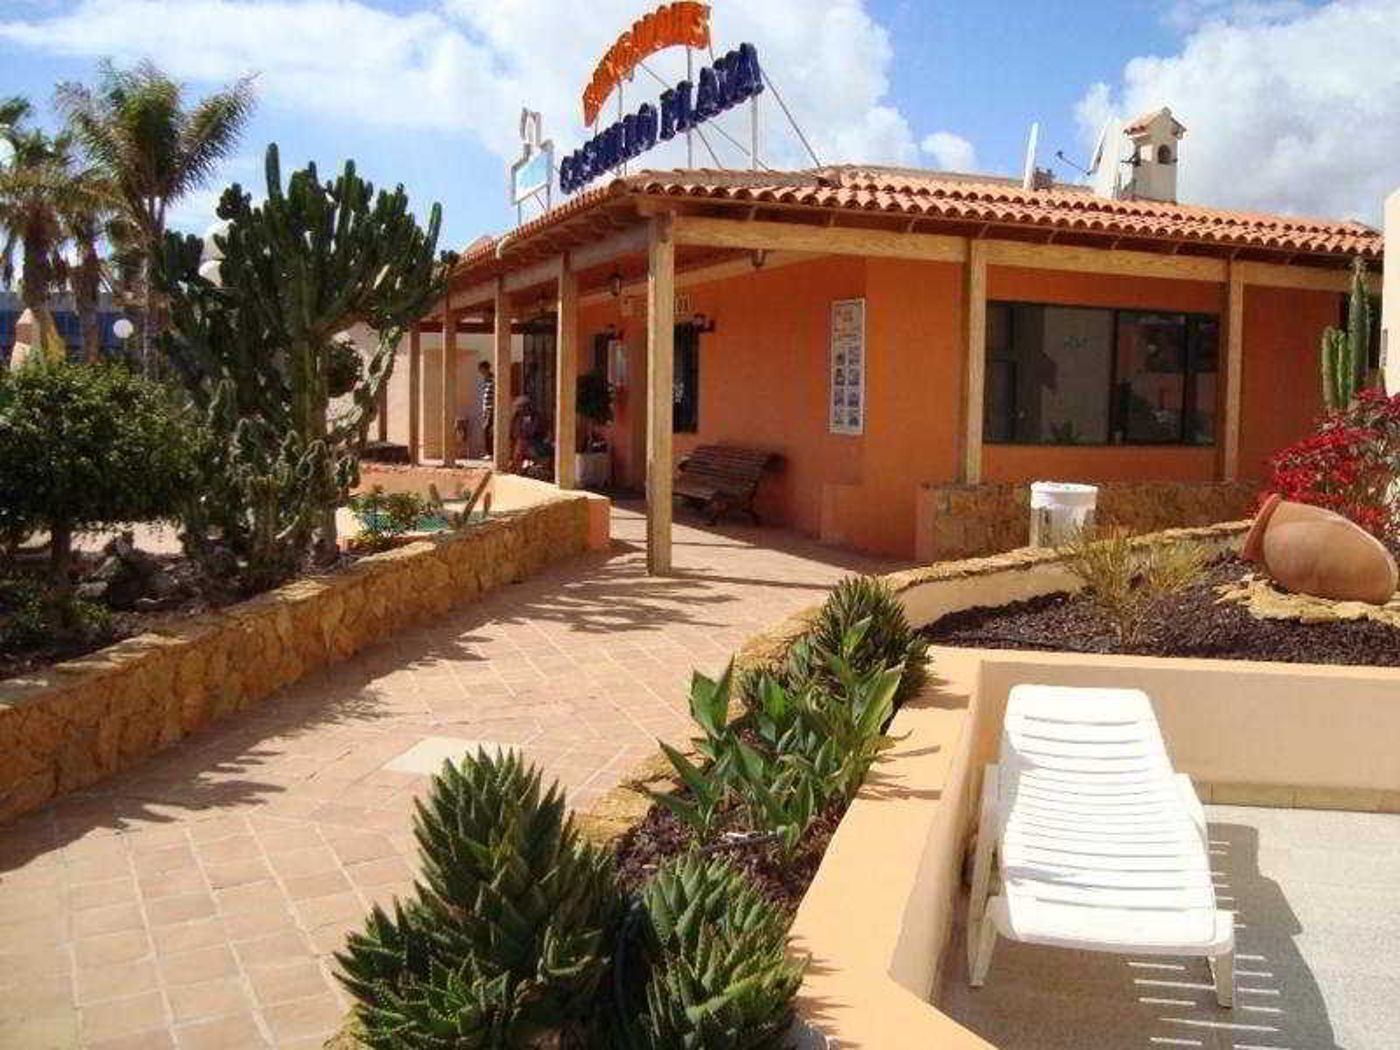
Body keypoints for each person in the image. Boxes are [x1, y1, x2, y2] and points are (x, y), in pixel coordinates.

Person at [477, 360, 495, 460]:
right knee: (487, 430)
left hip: (491, 409)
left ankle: (491, 452)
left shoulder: (492, 380)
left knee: (487, 430)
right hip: (487, 410)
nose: (481, 372)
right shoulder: (486, 380)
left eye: (482, 370)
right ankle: (489, 452)